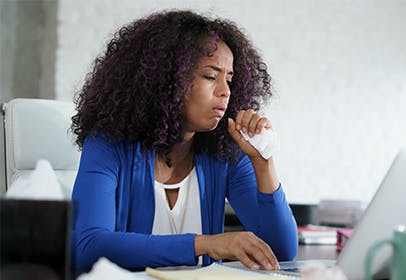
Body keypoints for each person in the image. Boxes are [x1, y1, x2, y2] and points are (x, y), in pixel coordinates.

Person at [71, 10, 298, 272]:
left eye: (230, 80)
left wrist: (263, 162)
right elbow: (88, 247)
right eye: (211, 77)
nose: (225, 92)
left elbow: (281, 252)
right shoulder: (108, 145)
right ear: (167, 79)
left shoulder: (224, 153)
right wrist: (206, 245)